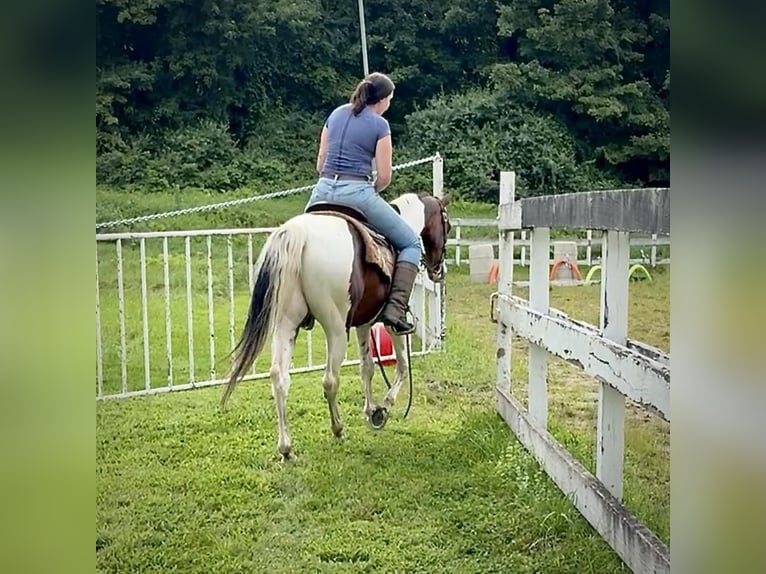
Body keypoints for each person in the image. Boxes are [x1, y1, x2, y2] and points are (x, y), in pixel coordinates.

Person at [304, 72, 420, 335]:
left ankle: (305, 308)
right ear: (383, 100)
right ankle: (395, 311)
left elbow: (320, 163)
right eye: (390, 99)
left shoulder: (335, 115)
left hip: (321, 191)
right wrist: (371, 190)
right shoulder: (380, 126)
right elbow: (385, 176)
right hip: (356, 192)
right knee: (412, 243)